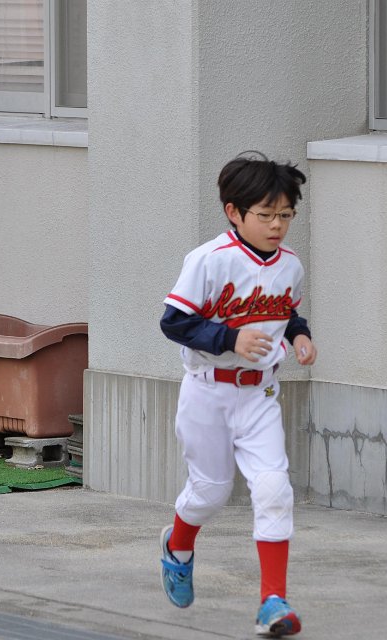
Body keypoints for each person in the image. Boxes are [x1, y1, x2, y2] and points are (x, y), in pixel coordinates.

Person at [158, 151, 315, 637]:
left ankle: (273, 603)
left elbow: (287, 312)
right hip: (207, 392)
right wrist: (230, 338)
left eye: (285, 214)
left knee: (273, 489)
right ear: (234, 212)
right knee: (210, 493)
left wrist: (300, 336)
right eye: (265, 215)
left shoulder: (291, 265)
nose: (277, 225)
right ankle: (177, 546)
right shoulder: (208, 259)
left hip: (260, 394)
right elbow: (174, 322)